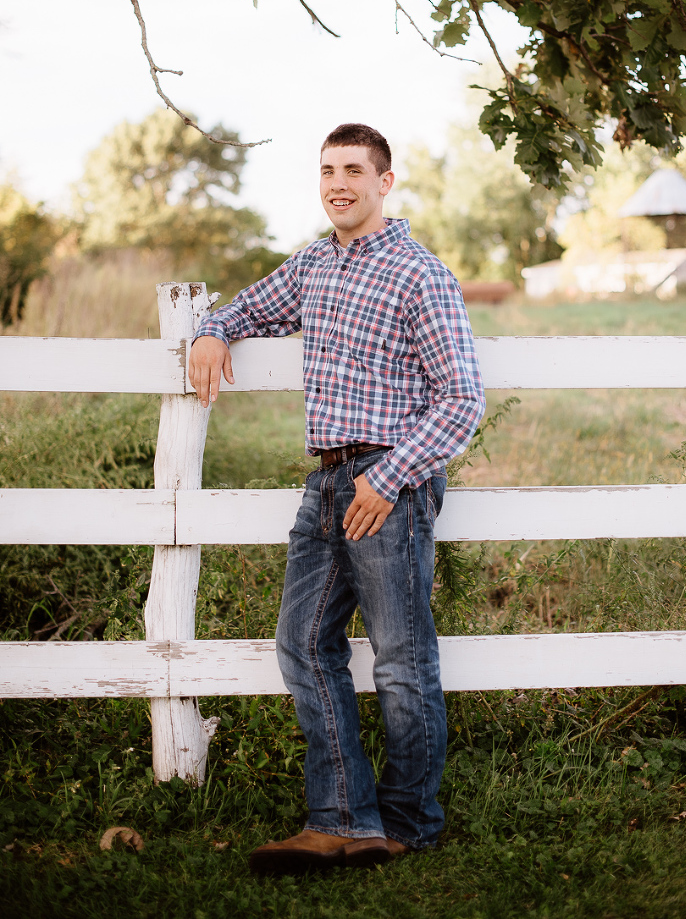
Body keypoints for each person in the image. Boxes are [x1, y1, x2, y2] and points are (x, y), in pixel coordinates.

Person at [189, 123, 485, 875]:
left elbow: (461, 400)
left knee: (400, 659)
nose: (338, 183)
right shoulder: (313, 265)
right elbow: (244, 308)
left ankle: (408, 822)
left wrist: (387, 479)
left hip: (392, 482)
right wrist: (213, 330)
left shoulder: (420, 274)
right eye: (327, 170)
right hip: (326, 481)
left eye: (354, 169)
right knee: (302, 644)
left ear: (385, 181)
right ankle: (343, 818)